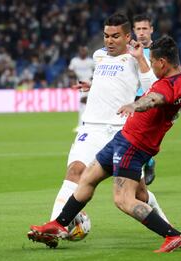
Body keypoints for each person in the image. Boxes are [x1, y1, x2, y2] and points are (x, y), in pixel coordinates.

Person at [28, 36, 181, 253]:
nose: (150, 67)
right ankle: (59, 224)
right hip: (124, 138)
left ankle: (173, 235)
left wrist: (135, 106)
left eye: (152, 63)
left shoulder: (167, 87)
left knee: (124, 199)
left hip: (135, 145)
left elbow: (154, 99)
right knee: (88, 177)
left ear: (162, 62)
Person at [44, 13, 169, 247]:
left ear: (126, 37)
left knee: (139, 194)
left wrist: (140, 59)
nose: (109, 41)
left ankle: (169, 228)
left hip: (122, 132)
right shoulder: (98, 55)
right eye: (105, 36)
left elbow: (152, 88)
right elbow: (111, 81)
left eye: (114, 36)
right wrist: (92, 85)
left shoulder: (137, 58)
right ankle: (53, 228)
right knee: (75, 171)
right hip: (91, 128)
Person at [132, 13, 156, 185]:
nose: (141, 32)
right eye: (138, 29)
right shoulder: (129, 51)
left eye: (144, 29)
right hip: (133, 97)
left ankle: (148, 162)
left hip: (153, 97)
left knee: (145, 136)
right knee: (132, 135)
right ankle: (143, 167)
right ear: (133, 31)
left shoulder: (159, 50)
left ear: (151, 30)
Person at [68, 46, 95, 132]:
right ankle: (84, 125)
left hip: (90, 85)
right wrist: (72, 78)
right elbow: (70, 71)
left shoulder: (90, 61)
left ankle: (82, 125)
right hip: (79, 85)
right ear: (79, 52)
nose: (83, 52)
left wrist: (92, 79)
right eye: (81, 51)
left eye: (84, 51)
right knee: (83, 105)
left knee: (83, 104)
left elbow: (96, 70)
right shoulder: (74, 61)